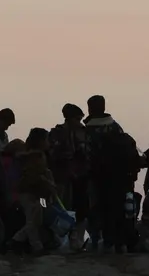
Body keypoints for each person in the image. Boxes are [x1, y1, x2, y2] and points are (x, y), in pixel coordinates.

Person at [84, 94, 137, 253]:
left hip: (98, 176)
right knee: (119, 210)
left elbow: (87, 153)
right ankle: (119, 242)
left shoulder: (89, 130)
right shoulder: (115, 127)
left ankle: (101, 241)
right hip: (121, 176)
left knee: (98, 209)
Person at [48, 103, 89, 250]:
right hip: (62, 177)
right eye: (77, 119)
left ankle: (76, 240)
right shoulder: (57, 133)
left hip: (80, 178)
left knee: (81, 210)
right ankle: (61, 241)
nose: (79, 123)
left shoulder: (83, 132)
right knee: (62, 210)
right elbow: (52, 154)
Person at [10, 128, 57, 255]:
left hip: (39, 195)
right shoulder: (35, 158)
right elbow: (35, 177)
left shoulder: (37, 156)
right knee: (33, 220)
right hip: (31, 194)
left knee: (37, 220)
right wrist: (48, 183)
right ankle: (35, 246)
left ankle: (19, 241)